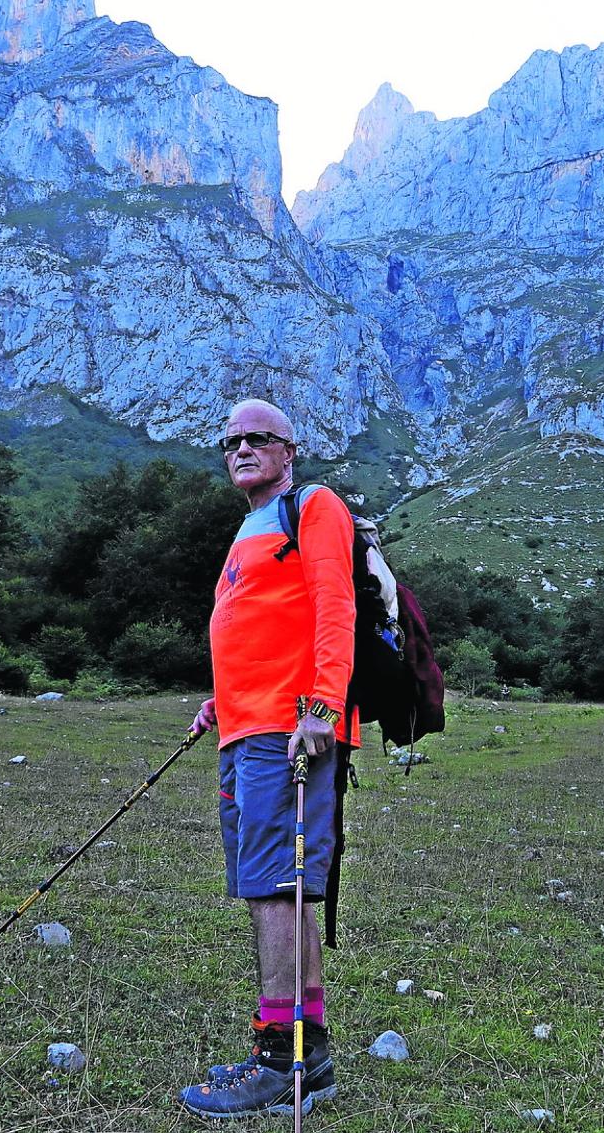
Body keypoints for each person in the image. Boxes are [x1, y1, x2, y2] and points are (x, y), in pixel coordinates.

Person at [177, 398, 357, 1119]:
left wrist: (321, 707)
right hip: (248, 726)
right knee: (275, 885)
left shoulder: (312, 507)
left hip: (291, 730)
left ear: (289, 450)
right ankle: (307, 1053)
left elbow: (334, 607)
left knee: (273, 887)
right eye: (232, 440)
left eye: (258, 438)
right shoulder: (251, 526)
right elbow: (261, 627)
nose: (242, 448)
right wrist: (222, 696)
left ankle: (280, 1058)